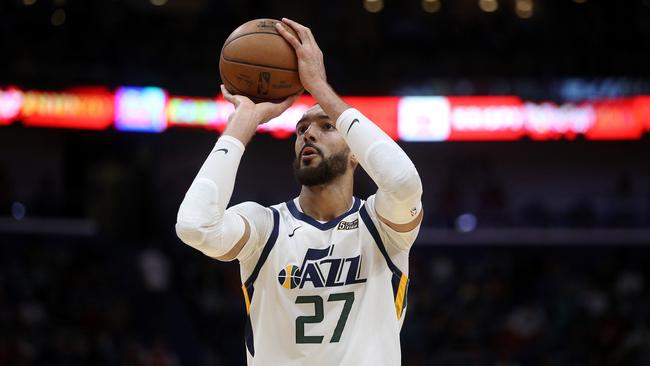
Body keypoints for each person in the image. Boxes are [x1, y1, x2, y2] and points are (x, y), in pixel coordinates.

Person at [175, 18, 423, 366]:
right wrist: (242, 123)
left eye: (326, 127)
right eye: (301, 128)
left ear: (357, 151)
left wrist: (319, 87)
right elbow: (194, 226)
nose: (308, 134)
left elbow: (403, 181)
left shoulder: (382, 225)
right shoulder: (264, 227)